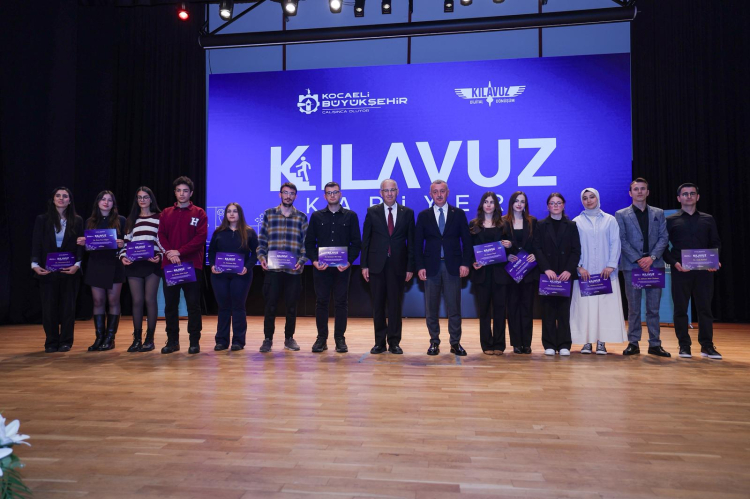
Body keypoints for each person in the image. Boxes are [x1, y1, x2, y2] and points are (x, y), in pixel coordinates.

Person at [664, 183, 722, 359]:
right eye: (685, 194)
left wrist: (714, 260)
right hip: (681, 271)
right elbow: (663, 247)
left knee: (705, 309)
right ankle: (684, 346)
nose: (688, 196)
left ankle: (707, 346)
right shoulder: (670, 220)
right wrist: (674, 263)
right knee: (680, 310)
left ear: (697, 197)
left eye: (692, 193)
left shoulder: (708, 219)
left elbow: (715, 243)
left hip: (704, 272)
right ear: (679, 198)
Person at [415, 180, 472, 356]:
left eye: (442, 191)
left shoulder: (458, 214)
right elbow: (417, 244)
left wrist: (465, 263)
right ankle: (434, 342)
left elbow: (467, 242)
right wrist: (420, 266)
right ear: (430, 194)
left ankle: (455, 343)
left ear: (448, 192)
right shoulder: (424, 215)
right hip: (430, 267)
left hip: (452, 267)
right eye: (435, 192)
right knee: (431, 309)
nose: (439, 195)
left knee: (454, 308)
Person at [615, 178, 671, 357]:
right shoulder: (621, 214)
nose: (639, 192)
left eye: (642, 189)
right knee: (633, 308)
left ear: (648, 192)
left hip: (654, 266)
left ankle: (655, 344)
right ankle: (633, 343)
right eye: (636, 189)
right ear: (630, 193)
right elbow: (621, 239)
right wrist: (639, 259)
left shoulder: (658, 213)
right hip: (633, 266)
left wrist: (651, 257)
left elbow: (664, 237)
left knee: (653, 309)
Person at [305, 182, 361, 354]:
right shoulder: (316, 216)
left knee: (341, 303)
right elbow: (309, 242)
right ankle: (321, 339)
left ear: (340, 194)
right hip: (321, 268)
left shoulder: (350, 216)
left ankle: (340, 339)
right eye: (329, 193)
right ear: (325, 196)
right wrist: (314, 261)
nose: (332, 195)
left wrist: (349, 262)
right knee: (321, 302)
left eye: (335, 192)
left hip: (342, 268)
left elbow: (356, 243)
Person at [571, 188, 627, 355]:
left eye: (592, 197)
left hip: (605, 273)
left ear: (597, 198)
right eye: (585, 198)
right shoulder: (576, 222)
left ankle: (601, 342)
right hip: (585, 274)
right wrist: (579, 266)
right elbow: (573, 246)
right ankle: (587, 342)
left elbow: (615, 243)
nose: (589, 200)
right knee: (585, 309)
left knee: (604, 309)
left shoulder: (610, 220)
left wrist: (611, 265)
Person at [361, 179, 415, 355]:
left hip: (398, 266)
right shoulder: (372, 212)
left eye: (392, 190)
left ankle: (394, 342)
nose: (389, 193)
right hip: (376, 265)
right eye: (386, 190)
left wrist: (410, 267)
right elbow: (366, 240)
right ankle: (379, 342)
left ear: (397, 191)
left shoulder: (407, 213)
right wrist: (364, 265)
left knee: (395, 305)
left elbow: (412, 242)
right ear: (381, 193)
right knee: (377, 305)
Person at [157, 176, 208, 355]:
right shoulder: (166, 213)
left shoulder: (199, 213)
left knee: (193, 305)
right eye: (179, 190)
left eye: (185, 191)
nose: (182, 194)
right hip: (170, 266)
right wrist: (170, 253)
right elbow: (160, 236)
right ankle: (172, 341)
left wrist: (179, 252)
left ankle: (194, 341)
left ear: (191, 193)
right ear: (175, 193)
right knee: (171, 305)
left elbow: (200, 238)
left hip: (192, 266)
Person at [256, 182, 309, 353]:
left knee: (292, 307)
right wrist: (262, 258)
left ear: (295, 196)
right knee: (270, 306)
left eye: (291, 193)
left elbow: (306, 243)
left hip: (293, 270)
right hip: (273, 270)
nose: (288, 196)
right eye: (285, 193)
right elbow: (262, 240)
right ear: (280, 194)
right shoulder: (269, 214)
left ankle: (289, 338)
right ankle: (267, 339)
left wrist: (302, 260)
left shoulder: (301, 217)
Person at [31, 187, 84, 353]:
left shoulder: (77, 220)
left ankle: (66, 341)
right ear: (53, 199)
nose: (61, 198)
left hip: (70, 270)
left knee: (68, 308)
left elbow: (80, 245)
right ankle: (51, 341)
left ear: (70, 201)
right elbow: (36, 242)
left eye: (65, 196)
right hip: (48, 270)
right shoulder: (42, 219)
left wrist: (77, 265)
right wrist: (34, 265)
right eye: (58, 195)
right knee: (49, 308)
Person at [77, 190, 126, 352]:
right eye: (103, 199)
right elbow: (88, 247)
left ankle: (110, 338)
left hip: (114, 264)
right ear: (97, 202)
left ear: (113, 204)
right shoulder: (90, 221)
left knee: (113, 301)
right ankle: (99, 337)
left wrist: (123, 244)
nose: (106, 202)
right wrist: (83, 242)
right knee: (98, 301)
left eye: (109, 200)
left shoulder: (121, 220)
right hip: (96, 264)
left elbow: (128, 243)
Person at [532, 193, 580, 356]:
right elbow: (537, 248)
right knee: (548, 310)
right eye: (552, 203)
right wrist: (546, 269)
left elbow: (576, 250)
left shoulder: (571, 225)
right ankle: (549, 344)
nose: (555, 206)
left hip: (565, 274)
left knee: (564, 311)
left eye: (558, 203)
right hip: (547, 274)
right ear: (548, 206)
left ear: (563, 205)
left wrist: (569, 270)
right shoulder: (540, 225)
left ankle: (565, 344)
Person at [208, 202, 258, 351]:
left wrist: (247, 267)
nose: (231, 214)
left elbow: (255, 253)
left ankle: (238, 341)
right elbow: (211, 252)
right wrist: (212, 265)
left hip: (241, 275)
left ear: (240, 214)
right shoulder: (218, 232)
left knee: (238, 307)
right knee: (223, 307)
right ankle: (221, 341)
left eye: (234, 211)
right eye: (229, 211)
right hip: (220, 275)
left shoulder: (249, 232)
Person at [469, 192, 513, 355]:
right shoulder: (473, 224)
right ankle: (487, 345)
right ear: (482, 204)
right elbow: (468, 248)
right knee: (484, 311)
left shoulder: (504, 224)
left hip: (500, 274)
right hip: (481, 275)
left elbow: (512, 247)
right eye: (486, 202)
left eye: (492, 202)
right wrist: (472, 262)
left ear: (496, 205)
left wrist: (509, 245)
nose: (488, 205)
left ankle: (499, 345)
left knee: (500, 311)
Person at [119, 186, 162, 352]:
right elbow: (126, 242)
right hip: (134, 264)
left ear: (151, 199)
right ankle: (136, 339)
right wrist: (123, 256)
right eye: (139, 197)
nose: (142, 200)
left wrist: (160, 255)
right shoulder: (131, 219)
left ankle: (149, 339)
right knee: (137, 301)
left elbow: (162, 241)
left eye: (145, 197)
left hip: (152, 263)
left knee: (150, 300)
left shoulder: (159, 218)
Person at [503, 191, 538, 355]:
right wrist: (506, 256)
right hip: (510, 273)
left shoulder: (532, 221)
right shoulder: (503, 222)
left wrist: (535, 255)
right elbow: (497, 245)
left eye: (522, 201)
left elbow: (538, 244)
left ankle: (526, 343)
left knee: (527, 308)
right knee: (512, 308)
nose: (519, 204)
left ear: (526, 204)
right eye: (516, 201)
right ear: (511, 203)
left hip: (528, 272)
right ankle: (516, 343)